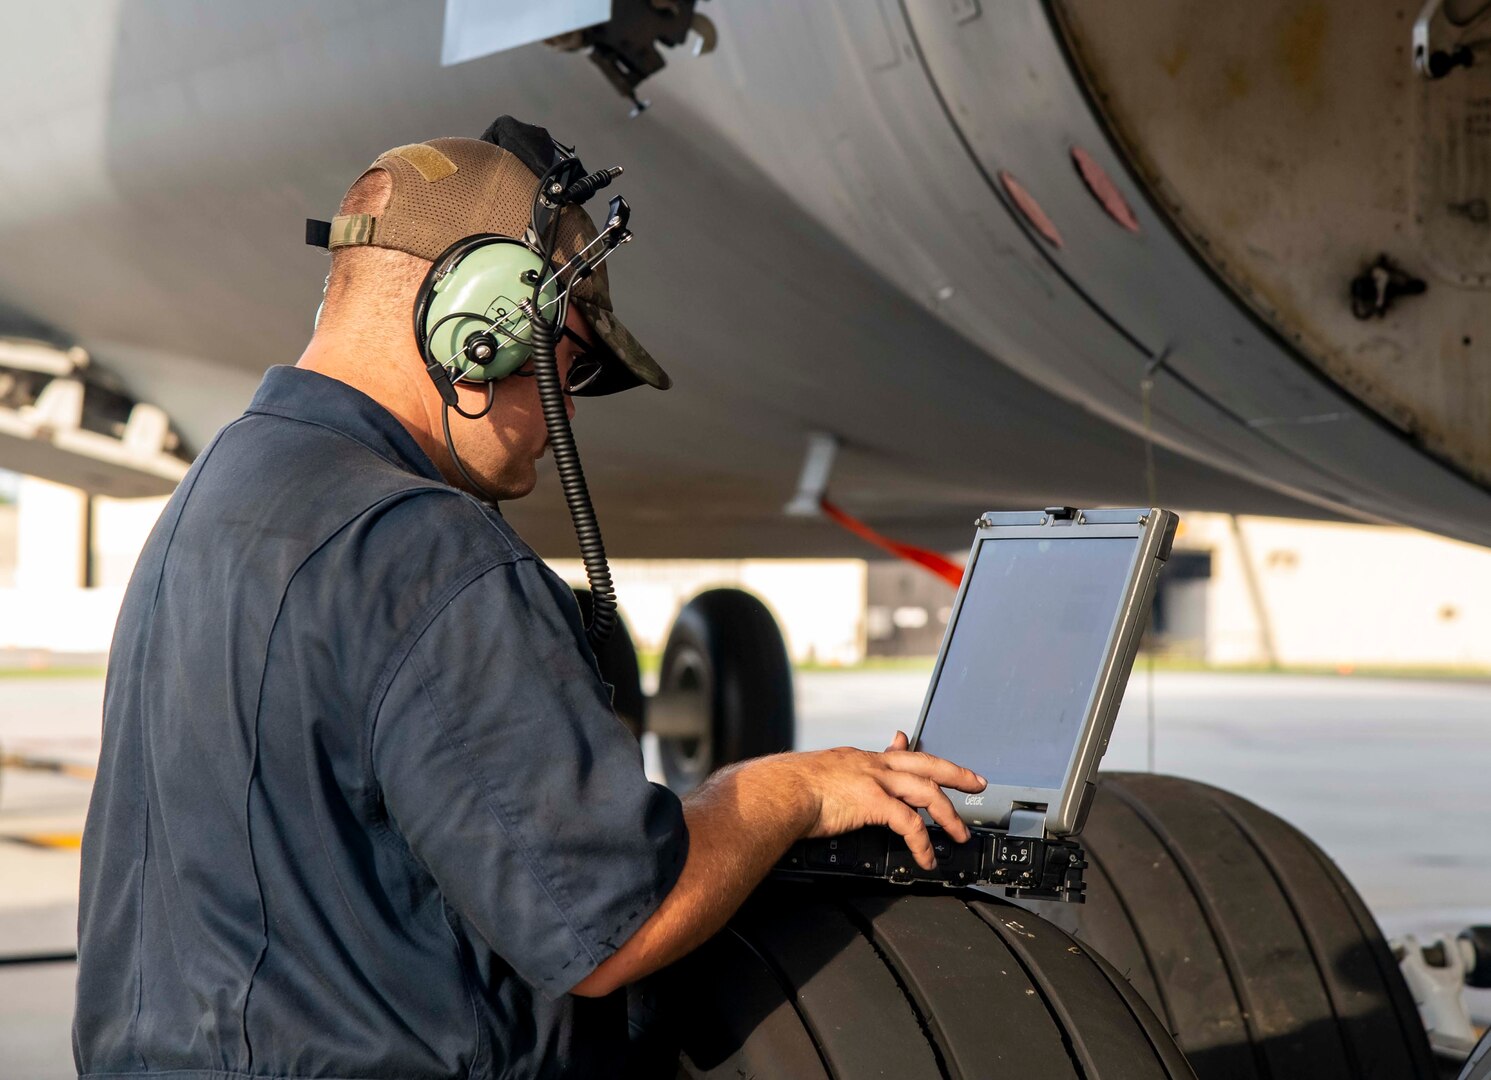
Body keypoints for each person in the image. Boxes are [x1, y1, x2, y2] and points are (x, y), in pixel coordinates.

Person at [73, 118, 986, 1079]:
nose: (569, 407)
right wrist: (786, 790)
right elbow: (610, 929)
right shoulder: (417, 549)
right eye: (574, 357)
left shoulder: (222, 492)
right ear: (483, 323)